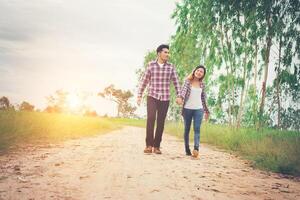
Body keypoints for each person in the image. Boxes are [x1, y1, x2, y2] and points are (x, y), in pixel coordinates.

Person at [137, 44, 182, 154]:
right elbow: (144, 80)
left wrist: (179, 95)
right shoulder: (151, 65)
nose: (168, 54)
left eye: (168, 52)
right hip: (152, 96)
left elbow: (176, 82)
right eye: (165, 52)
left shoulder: (170, 67)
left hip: (165, 97)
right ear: (159, 53)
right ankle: (148, 145)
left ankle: (157, 146)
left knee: (161, 122)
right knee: (151, 118)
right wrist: (139, 95)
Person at [178, 65, 209, 158]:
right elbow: (183, 91)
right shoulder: (188, 81)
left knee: (197, 128)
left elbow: (203, 99)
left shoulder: (202, 85)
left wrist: (206, 111)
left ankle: (196, 149)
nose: (199, 72)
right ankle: (187, 149)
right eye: (198, 70)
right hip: (187, 108)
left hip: (198, 109)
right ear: (194, 71)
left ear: (203, 75)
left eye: (201, 72)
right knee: (187, 129)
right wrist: (180, 97)